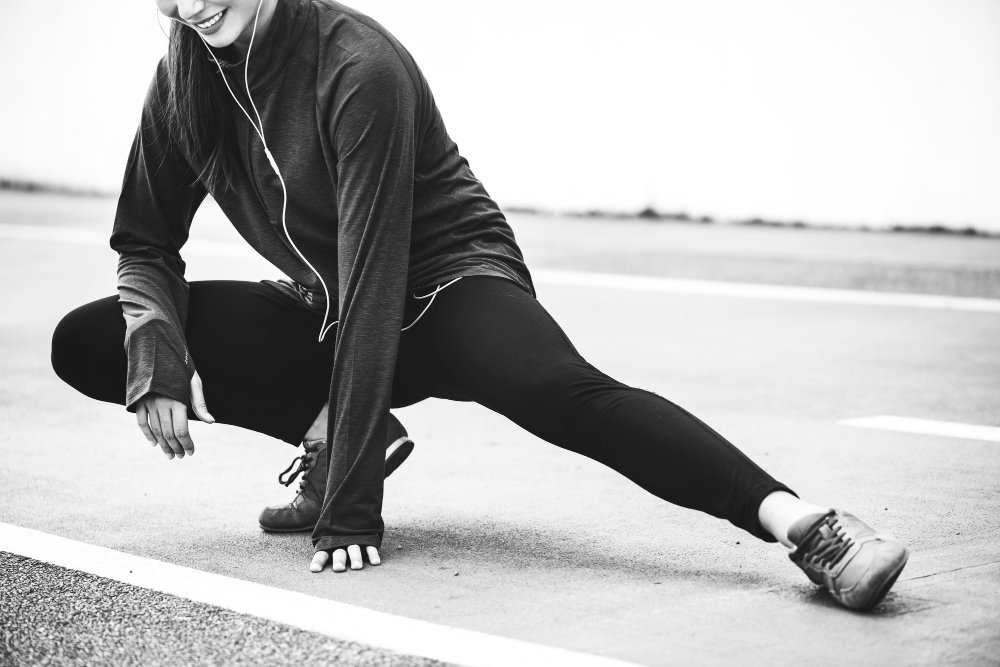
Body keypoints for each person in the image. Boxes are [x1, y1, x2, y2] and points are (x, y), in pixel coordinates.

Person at [50, 0, 908, 611]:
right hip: (330, 304)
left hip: (448, 283)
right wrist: (157, 353)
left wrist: (350, 506)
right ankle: (351, 428)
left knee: (562, 393)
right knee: (93, 343)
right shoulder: (184, 80)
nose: (187, 6)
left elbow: (379, 280)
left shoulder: (356, 63)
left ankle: (809, 527)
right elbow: (145, 242)